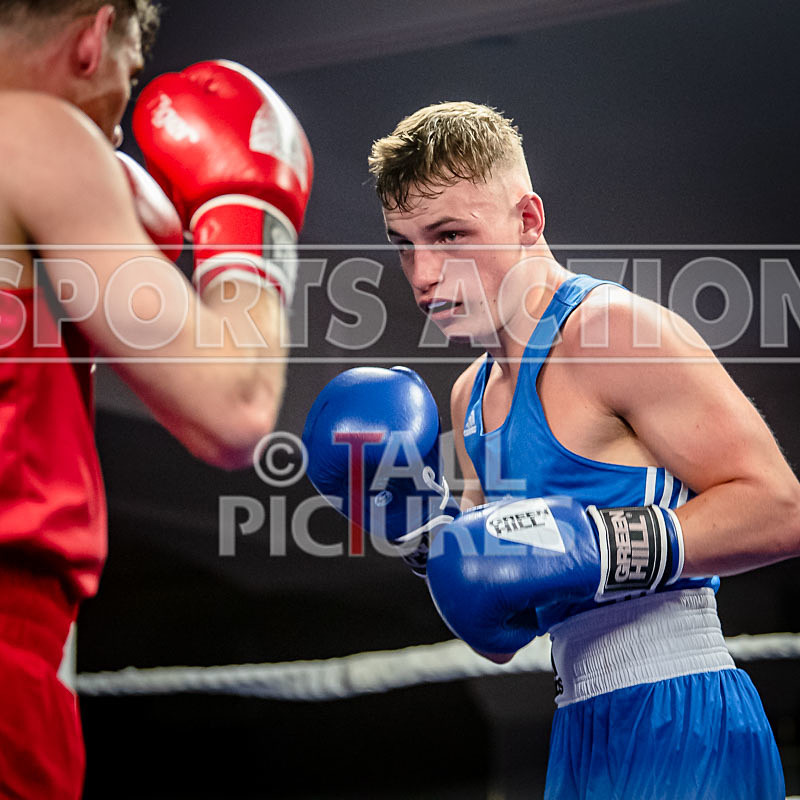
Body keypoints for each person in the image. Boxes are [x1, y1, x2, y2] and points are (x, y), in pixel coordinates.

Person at [304, 101, 800, 798]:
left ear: (528, 219)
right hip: (578, 724)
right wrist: (419, 527)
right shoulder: (471, 395)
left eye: (449, 235)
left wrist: (598, 543)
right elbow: (498, 631)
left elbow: (782, 510)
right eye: (404, 243)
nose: (421, 274)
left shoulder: (613, 333)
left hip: (683, 713)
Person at [0, 2, 312, 797]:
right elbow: (233, 405)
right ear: (93, 34)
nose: (116, 132)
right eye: (128, 75)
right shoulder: (30, 133)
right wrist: (250, 215)